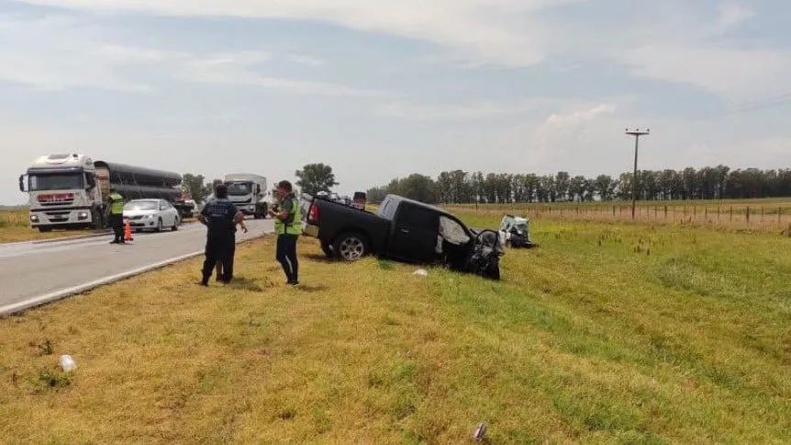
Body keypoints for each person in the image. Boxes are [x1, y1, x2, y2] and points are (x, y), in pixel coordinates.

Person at [198, 184, 247, 286]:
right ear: (226, 193)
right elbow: (240, 215)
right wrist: (233, 224)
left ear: (215, 193)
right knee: (227, 257)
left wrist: (207, 224)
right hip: (227, 235)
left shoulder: (210, 203)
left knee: (210, 258)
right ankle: (227, 280)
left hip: (212, 235)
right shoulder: (229, 204)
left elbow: (200, 216)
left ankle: (205, 280)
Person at [269, 180, 302, 285]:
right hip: (293, 232)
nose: (277, 190)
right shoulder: (294, 199)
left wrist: (273, 213)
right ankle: (294, 279)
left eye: (279, 188)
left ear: (283, 189)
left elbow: (284, 215)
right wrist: (279, 201)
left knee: (280, 256)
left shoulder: (288, 201)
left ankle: (291, 278)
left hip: (286, 232)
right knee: (292, 256)